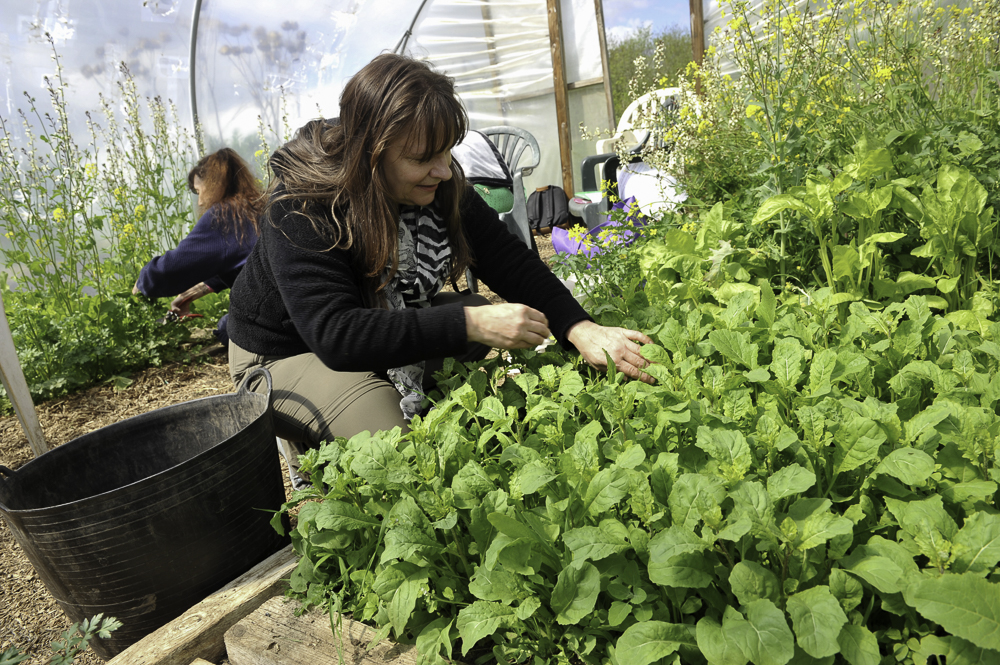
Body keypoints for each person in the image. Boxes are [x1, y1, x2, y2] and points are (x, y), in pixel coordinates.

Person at [227, 53, 652, 454]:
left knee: (473, 311)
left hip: (368, 323)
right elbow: (335, 334)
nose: (445, 169)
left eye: (447, 150)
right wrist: (469, 322)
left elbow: (510, 262)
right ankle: (329, 428)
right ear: (371, 155)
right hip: (285, 353)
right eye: (423, 158)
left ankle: (376, 395)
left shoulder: (439, 183)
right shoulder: (304, 201)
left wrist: (578, 327)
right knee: (394, 447)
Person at [133, 148, 262, 347]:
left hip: (279, 319)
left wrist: (144, 280)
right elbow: (242, 263)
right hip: (292, 306)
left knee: (227, 327)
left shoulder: (226, 216)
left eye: (200, 192)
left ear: (213, 184)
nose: (200, 201)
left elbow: (175, 266)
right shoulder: (256, 207)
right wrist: (188, 295)